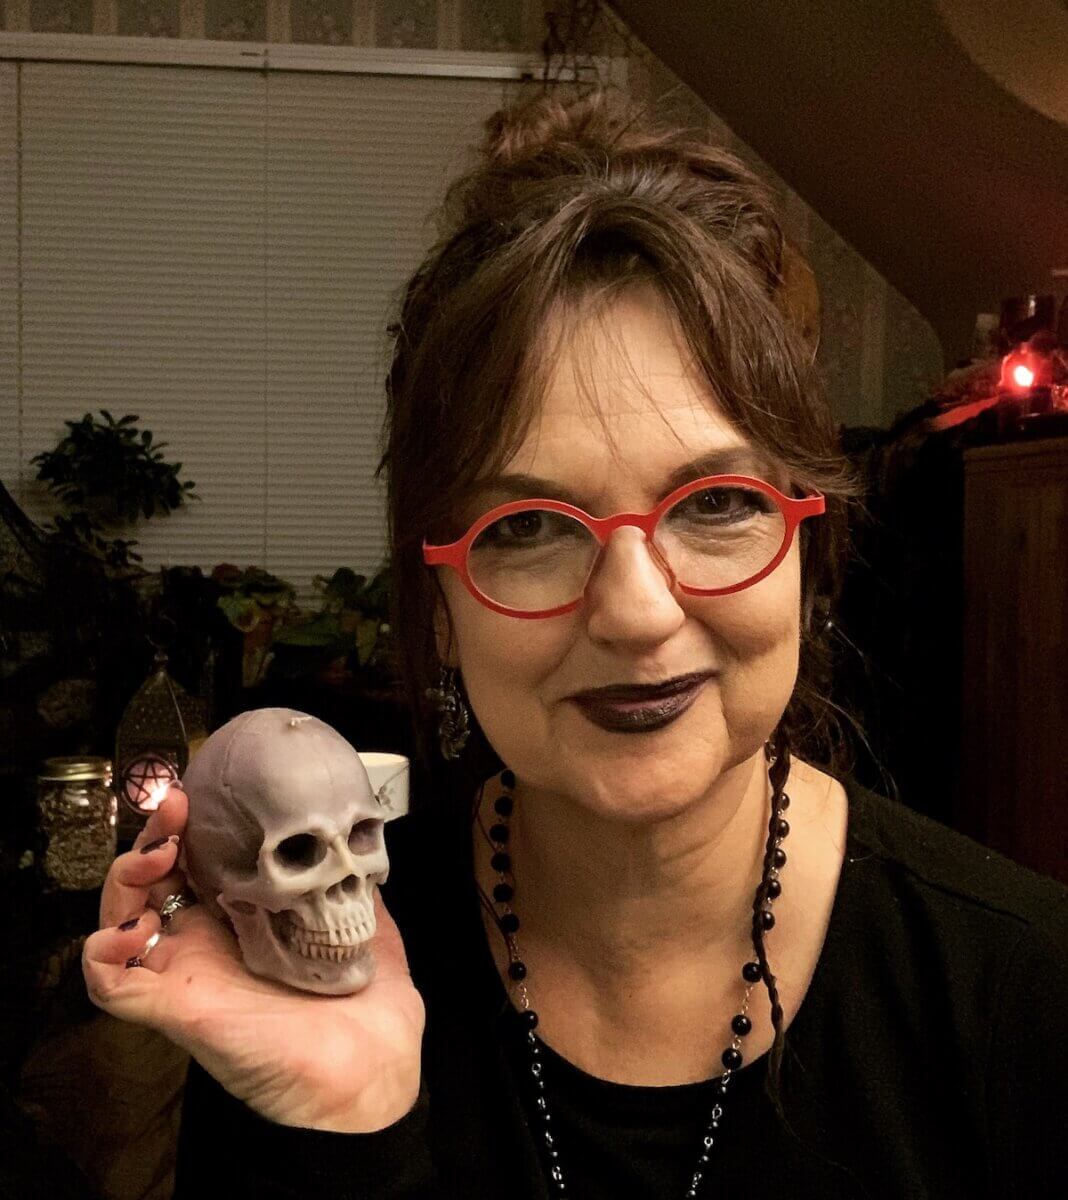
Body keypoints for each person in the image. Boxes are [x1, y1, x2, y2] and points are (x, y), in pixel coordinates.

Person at [83, 90, 1067, 1199]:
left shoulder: (1023, 997)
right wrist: (341, 1132)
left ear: (810, 552)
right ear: (439, 601)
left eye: (716, 503)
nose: (638, 610)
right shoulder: (311, 969)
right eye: (533, 528)